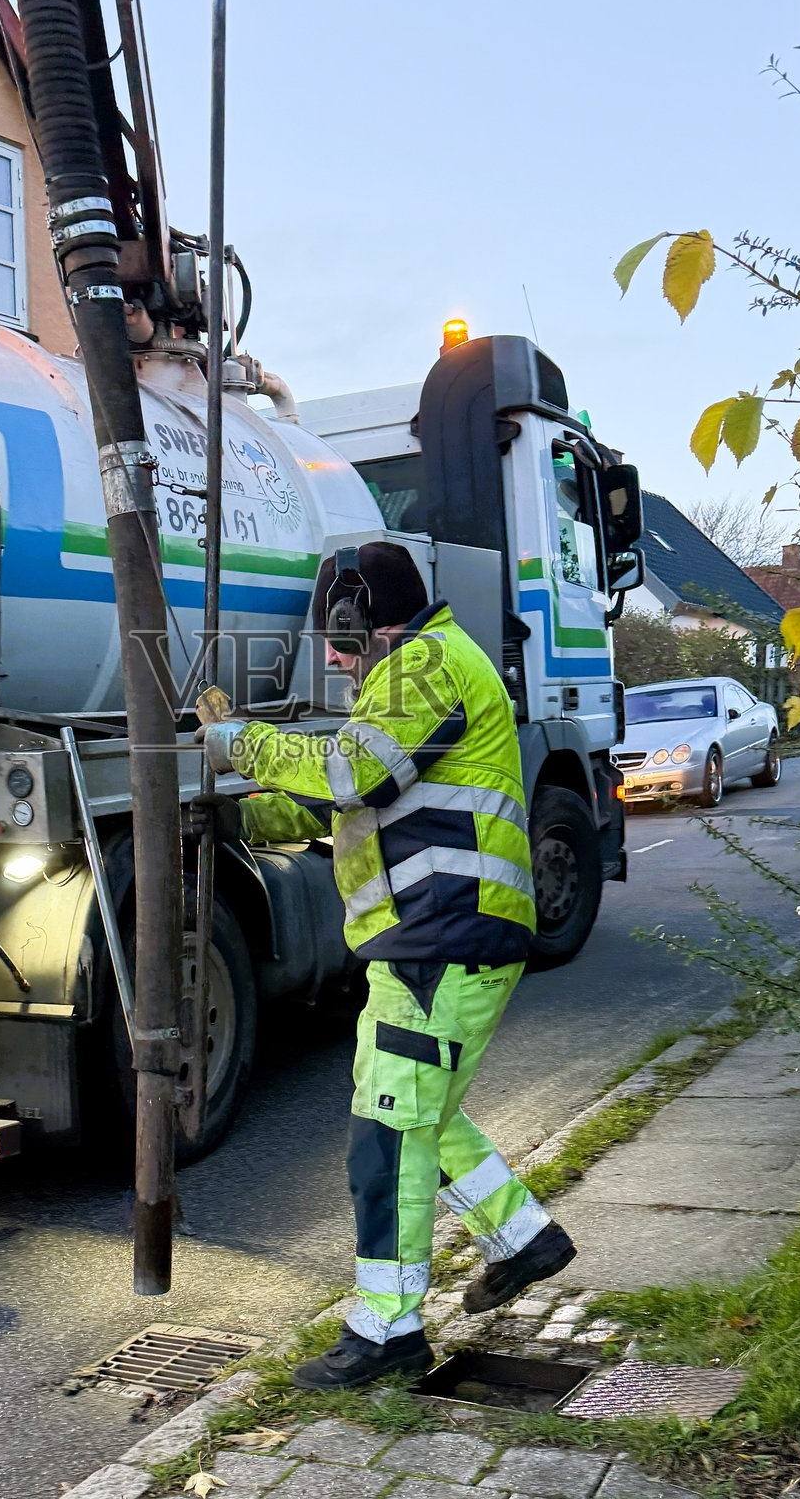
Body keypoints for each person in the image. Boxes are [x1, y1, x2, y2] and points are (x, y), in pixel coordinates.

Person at [192, 542, 577, 1389]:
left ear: (365, 618)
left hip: (441, 940)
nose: (329, 655)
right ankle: (522, 1237)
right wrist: (245, 814)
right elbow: (364, 798)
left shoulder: (426, 666)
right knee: (410, 1113)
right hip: (435, 942)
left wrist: (239, 743)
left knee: (385, 1141)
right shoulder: (417, 671)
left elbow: (349, 771)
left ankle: (387, 1332)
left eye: (335, 635)